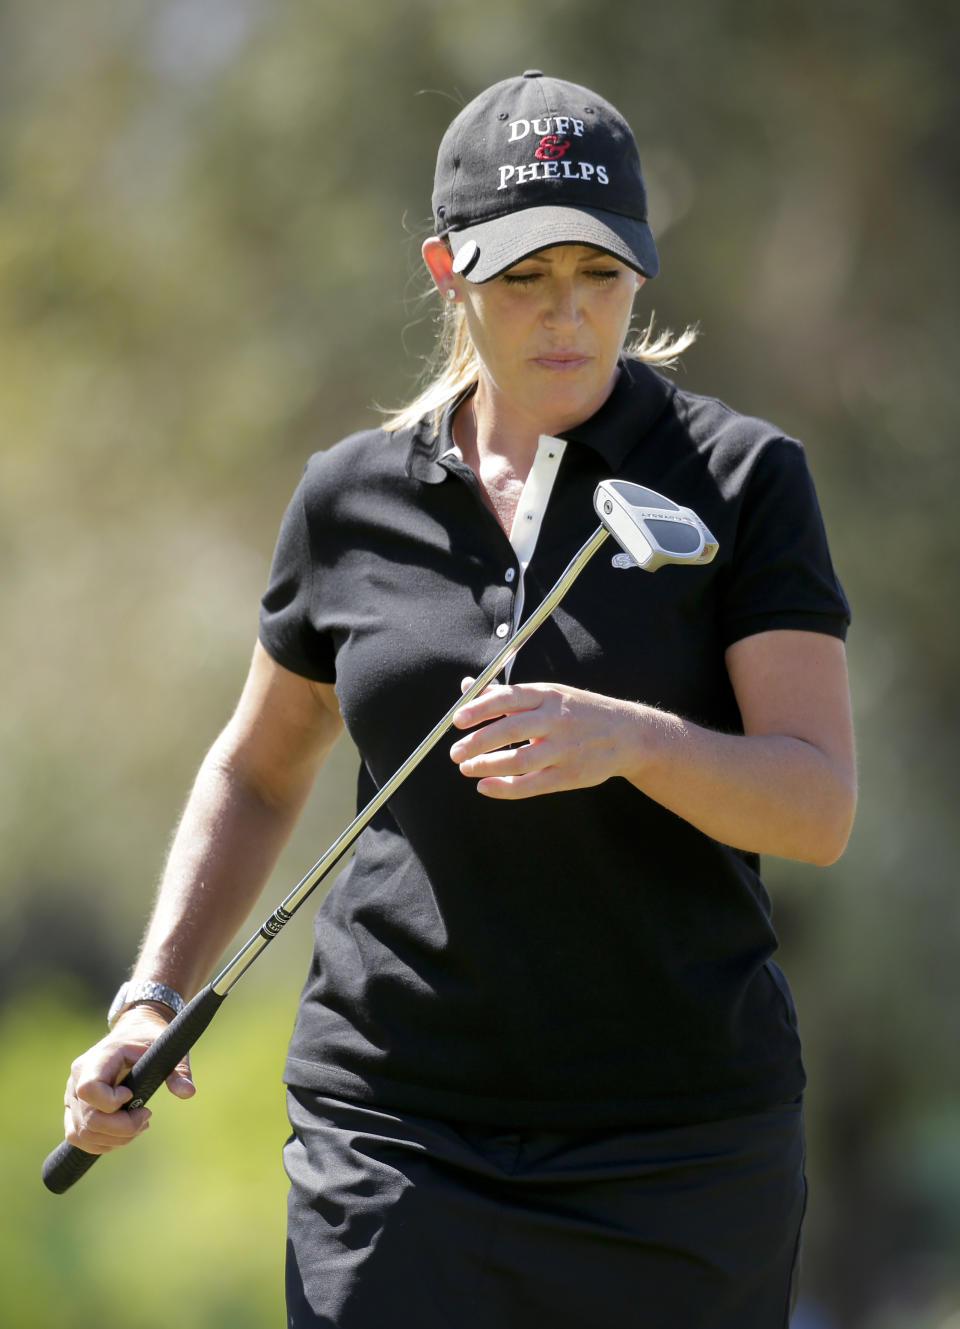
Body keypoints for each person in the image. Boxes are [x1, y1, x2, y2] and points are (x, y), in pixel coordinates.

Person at [61, 71, 856, 1328]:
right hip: (395, 1139)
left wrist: (629, 741)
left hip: (679, 1154)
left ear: (641, 273)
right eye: (524, 278)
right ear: (446, 268)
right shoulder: (349, 498)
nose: (569, 316)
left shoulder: (742, 480)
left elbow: (813, 805)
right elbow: (262, 768)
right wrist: (151, 996)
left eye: (600, 276)